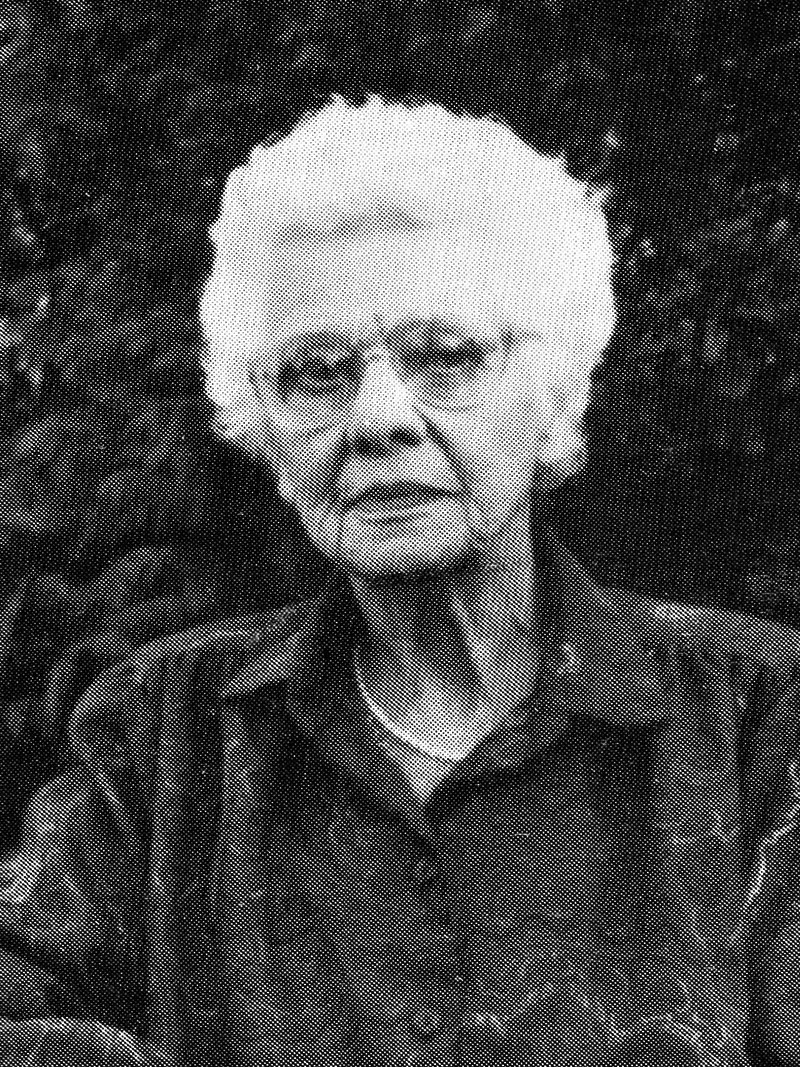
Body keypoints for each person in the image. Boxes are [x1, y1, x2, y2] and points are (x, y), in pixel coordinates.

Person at [0, 96, 798, 1067]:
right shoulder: (161, 734)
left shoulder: (756, 723)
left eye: (445, 356)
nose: (378, 417)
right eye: (316, 371)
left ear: (554, 398)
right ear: (265, 430)